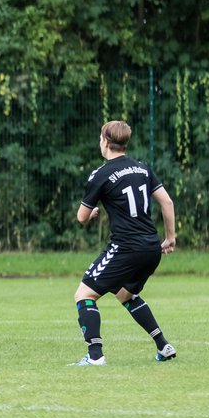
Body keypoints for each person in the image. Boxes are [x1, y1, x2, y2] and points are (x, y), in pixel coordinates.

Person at [71, 120, 177, 366]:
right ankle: (164, 346)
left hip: (126, 248)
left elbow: (81, 217)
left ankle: (95, 356)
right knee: (125, 294)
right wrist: (170, 238)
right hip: (152, 248)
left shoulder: (101, 174)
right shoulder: (143, 168)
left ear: (106, 141)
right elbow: (167, 203)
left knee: (83, 295)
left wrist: (93, 213)